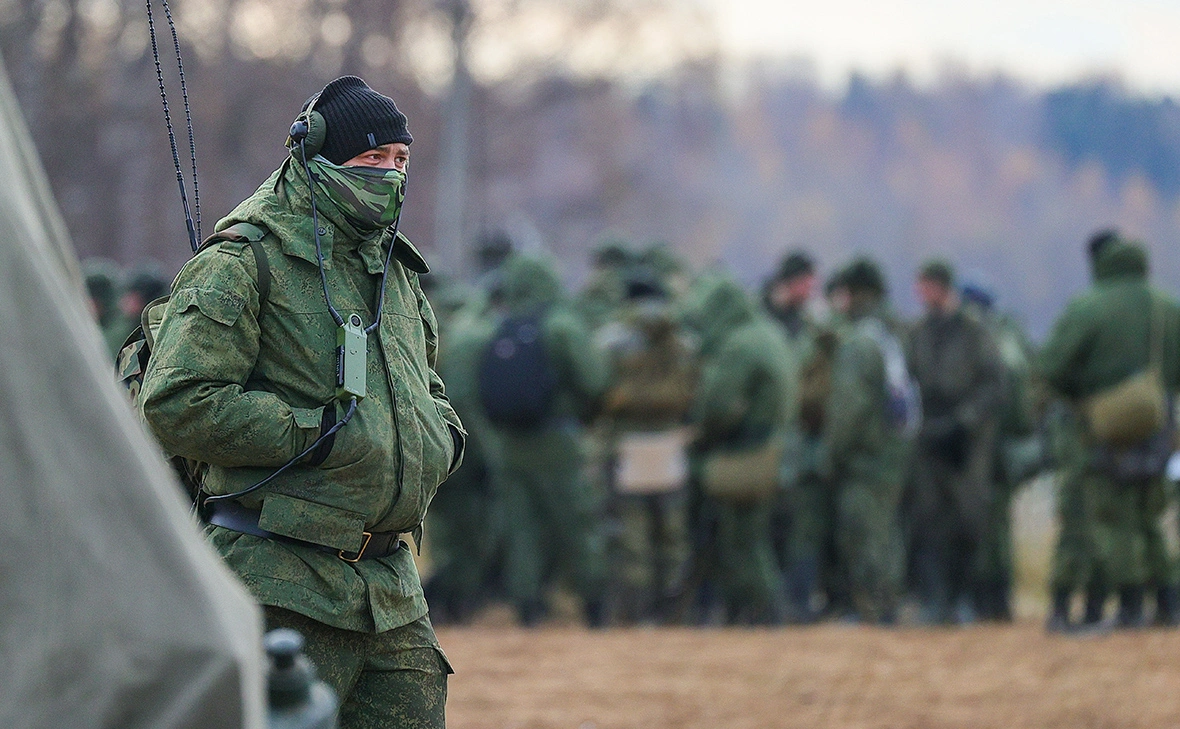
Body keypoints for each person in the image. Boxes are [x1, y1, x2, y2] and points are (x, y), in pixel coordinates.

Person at [140, 75, 464, 728]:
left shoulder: (396, 272)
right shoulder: (243, 260)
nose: (390, 174)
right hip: (280, 581)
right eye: (372, 159)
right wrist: (310, 434)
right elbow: (176, 401)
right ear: (314, 155)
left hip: (393, 589)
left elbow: (425, 385)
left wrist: (441, 437)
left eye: (400, 160)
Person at [1039, 237, 1180, 629]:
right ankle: (1169, 604)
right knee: (1150, 517)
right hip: (1158, 426)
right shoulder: (1167, 306)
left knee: (1111, 518)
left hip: (1104, 429)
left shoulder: (1089, 307)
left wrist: (1080, 398)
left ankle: (1131, 607)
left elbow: (1051, 367)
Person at [480, 253, 610, 626]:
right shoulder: (562, 324)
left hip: (510, 444)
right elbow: (594, 380)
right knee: (576, 522)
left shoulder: (501, 325)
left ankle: (527, 607)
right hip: (557, 440)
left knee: (521, 528)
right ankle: (594, 606)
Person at [680, 271, 798, 624]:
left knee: (742, 538)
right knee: (753, 533)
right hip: (775, 446)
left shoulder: (738, 345)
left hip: (746, 451)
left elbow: (717, 406)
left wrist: (698, 437)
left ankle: (763, 611)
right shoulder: (768, 333)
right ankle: (750, 611)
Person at [907, 259, 1004, 624]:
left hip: (967, 442)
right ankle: (934, 600)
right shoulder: (918, 332)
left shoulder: (975, 332)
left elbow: (995, 386)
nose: (920, 294)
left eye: (925, 285)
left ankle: (963, 599)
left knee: (968, 520)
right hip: (928, 435)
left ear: (941, 287)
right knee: (927, 521)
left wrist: (963, 422)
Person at [598, 268, 697, 623]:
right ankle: (674, 612)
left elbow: (596, 390)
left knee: (632, 532)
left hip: (627, 446)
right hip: (671, 444)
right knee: (673, 532)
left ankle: (634, 613)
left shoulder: (612, 340)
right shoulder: (683, 341)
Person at [822, 259, 912, 623]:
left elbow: (849, 408)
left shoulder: (859, 342)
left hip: (866, 456)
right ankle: (887, 603)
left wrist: (833, 454)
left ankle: (876, 608)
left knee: (863, 532)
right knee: (885, 529)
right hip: (892, 452)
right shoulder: (890, 335)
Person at [960, 276, 1039, 621]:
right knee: (998, 526)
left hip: (990, 446)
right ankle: (997, 600)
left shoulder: (989, 344)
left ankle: (988, 600)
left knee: (984, 525)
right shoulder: (1012, 339)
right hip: (1007, 446)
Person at [764, 250, 837, 621]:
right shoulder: (768, 320)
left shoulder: (811, 323)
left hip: (803, 438)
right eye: (807, 281)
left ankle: (799, 600)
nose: (812, 290)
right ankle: (780, 601)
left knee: (802, 523)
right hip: (773, 437)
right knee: (776, 522)